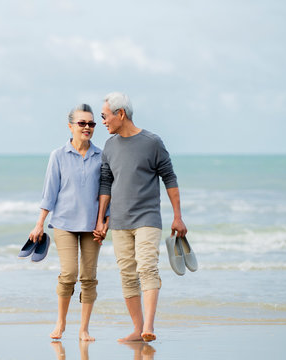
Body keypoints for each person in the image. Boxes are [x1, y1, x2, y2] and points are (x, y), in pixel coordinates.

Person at [94, 92, 187, 342]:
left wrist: (178, 216)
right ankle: (137, 329)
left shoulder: (152, 142)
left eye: (105, 116)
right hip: (119, 221)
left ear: (120, 114)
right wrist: (102, 220)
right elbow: (105, 183)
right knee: (127, 273)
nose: (102, 121)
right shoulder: (109, 146)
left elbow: (169, 177)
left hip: (147, 218)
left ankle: (149, 326)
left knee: (147, 267)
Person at [29, 103, 105, 341]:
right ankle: (61, 322)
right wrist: (40, 223)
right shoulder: (58, 155)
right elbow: (49, 192)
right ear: (70, 126)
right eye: (82, 123)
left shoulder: (102, 156)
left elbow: (106, 191)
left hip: (92, 225)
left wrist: (105, 221)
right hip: (63, 223)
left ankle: (84, 329)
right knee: (69, 273)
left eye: (91, 123)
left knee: (89, 277)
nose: (87, 127)